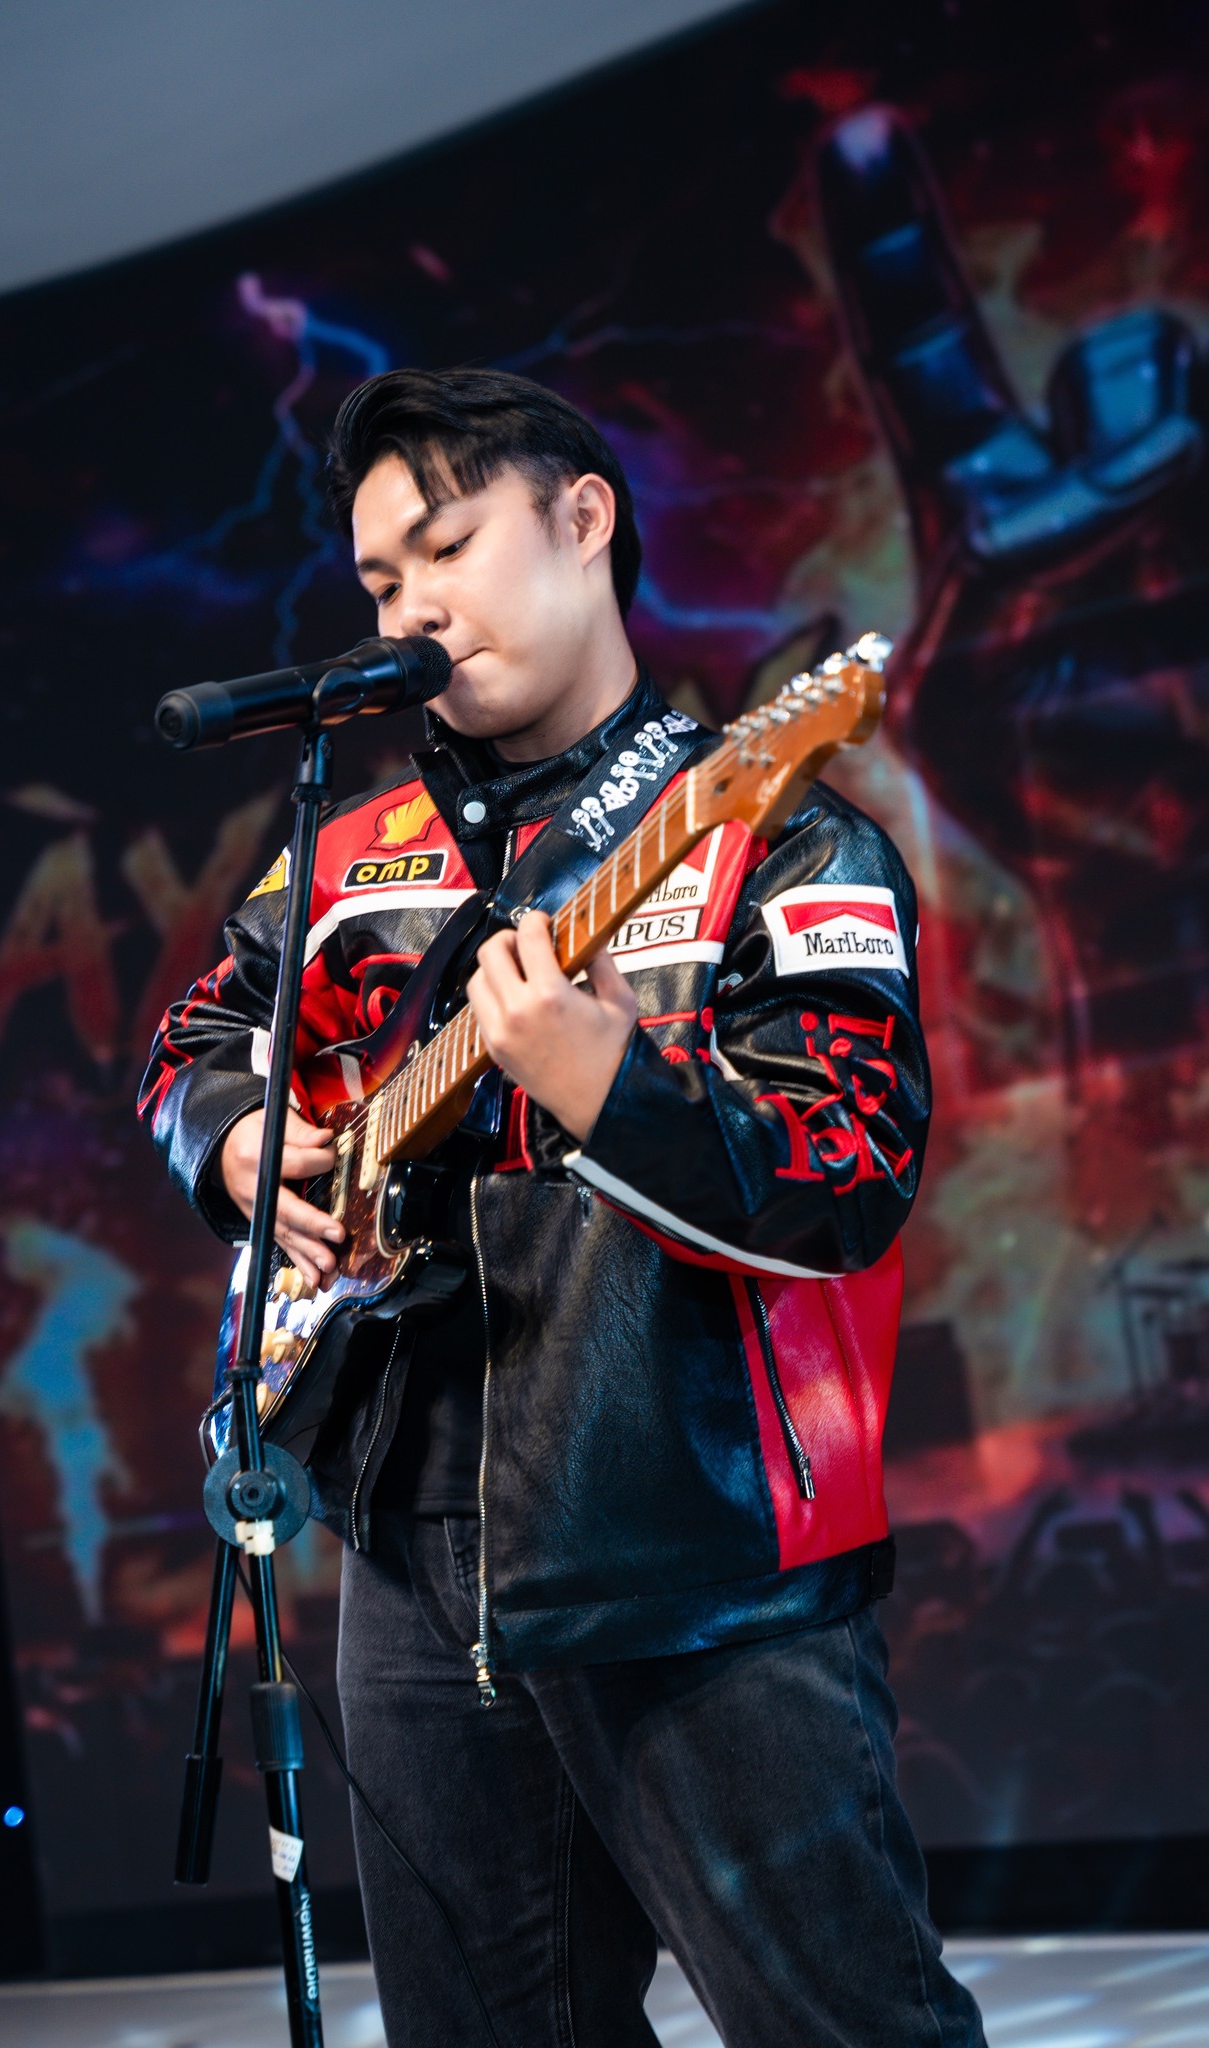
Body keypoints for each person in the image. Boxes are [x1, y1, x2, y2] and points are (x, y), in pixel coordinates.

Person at [139, 367, 986, 2048]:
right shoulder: (346, 861)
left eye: (446, 548)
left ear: (582, 520)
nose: (411, 606)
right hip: (407, 1560)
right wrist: (233, 1141)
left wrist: (609, 1079)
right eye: (379, 580)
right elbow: (194, 1048)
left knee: (841, 2025)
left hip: (701, 1555)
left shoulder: (779, 839)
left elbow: (847, 1172)